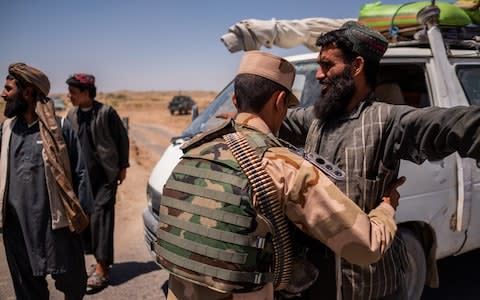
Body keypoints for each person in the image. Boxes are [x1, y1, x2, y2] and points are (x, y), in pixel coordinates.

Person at [154, 50, 406, 300]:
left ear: (234, 99)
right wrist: (386, 208)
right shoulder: (284, 167)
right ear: (279, 101)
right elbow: (366, 247)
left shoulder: (195, 149)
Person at [280, 21, 480, 300]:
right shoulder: (315, 120)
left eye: (327, 65)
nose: (319, 75)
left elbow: (454, 125)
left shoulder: (389, 121)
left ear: (357, 66)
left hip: (367, 285)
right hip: (314, 281)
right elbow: (270, 117)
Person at [0, 62, 92, 300]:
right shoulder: (7, 130)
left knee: (73, 285)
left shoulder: (60, 128)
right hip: (18, 229)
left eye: (8, 89)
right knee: (28, 292)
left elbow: (80, 173)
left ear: (28, 92)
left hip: (57, 227)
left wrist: (82, 219)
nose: (3, 94)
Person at [66, 73, 130, 293]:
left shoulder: (106, 112)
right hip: (82, 180)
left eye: (73, 92)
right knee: (87, 223)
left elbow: (122, 139)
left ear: (85, 93)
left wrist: (122, 167)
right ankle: (98, 261)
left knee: (102, 219)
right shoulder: (72, 115)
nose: (69, 96)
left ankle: (102, 269)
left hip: (105, 177)